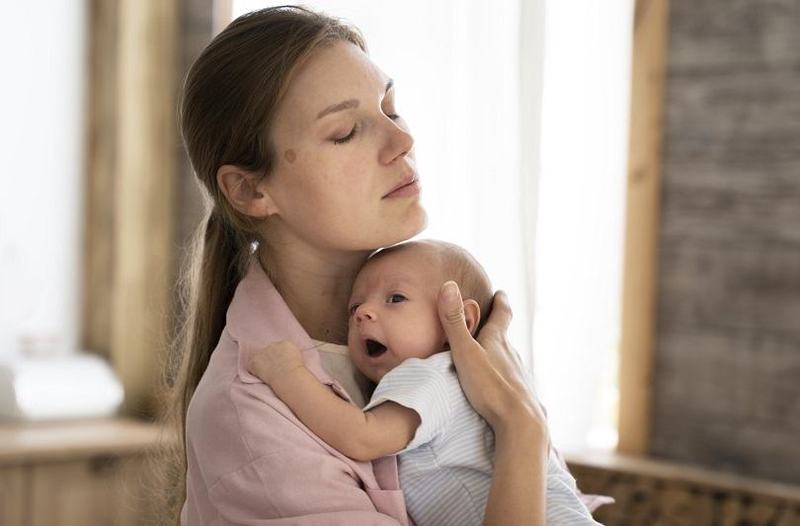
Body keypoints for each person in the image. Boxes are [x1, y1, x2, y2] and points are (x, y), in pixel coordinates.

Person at [165, 6, 563, 525]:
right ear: (250, 189)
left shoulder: (440, 314)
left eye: (390, 109)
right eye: (346, 131)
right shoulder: (250, 419)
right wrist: (522, 430)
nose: (403, 142)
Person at [246, 239, 602, 525]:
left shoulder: (430, 374)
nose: (363, 313)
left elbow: (361, 436)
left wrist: (287, 374)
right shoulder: (486, 384)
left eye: (395, 299)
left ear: (460, 320)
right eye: (354, 308)